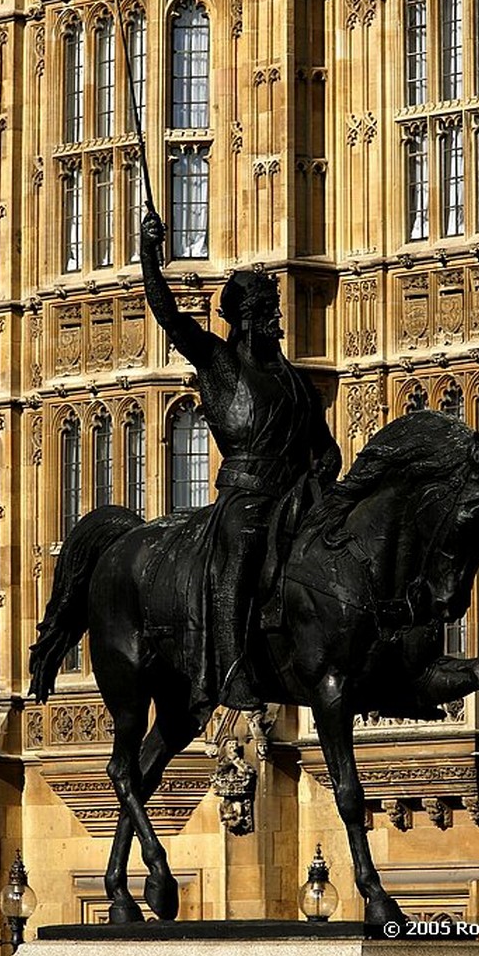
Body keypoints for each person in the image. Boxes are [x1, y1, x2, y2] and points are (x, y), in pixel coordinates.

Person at [140, 212, 342, 708]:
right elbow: (169, 315)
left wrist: (326, 469)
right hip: (247, 497)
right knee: (245, 549)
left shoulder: (296, 382)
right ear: (249, 315)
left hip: (298, 497)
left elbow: (327, 446)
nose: (280, 317)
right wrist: (149, 253)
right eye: (271, 308)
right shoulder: (219, 362)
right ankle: (230, 668)